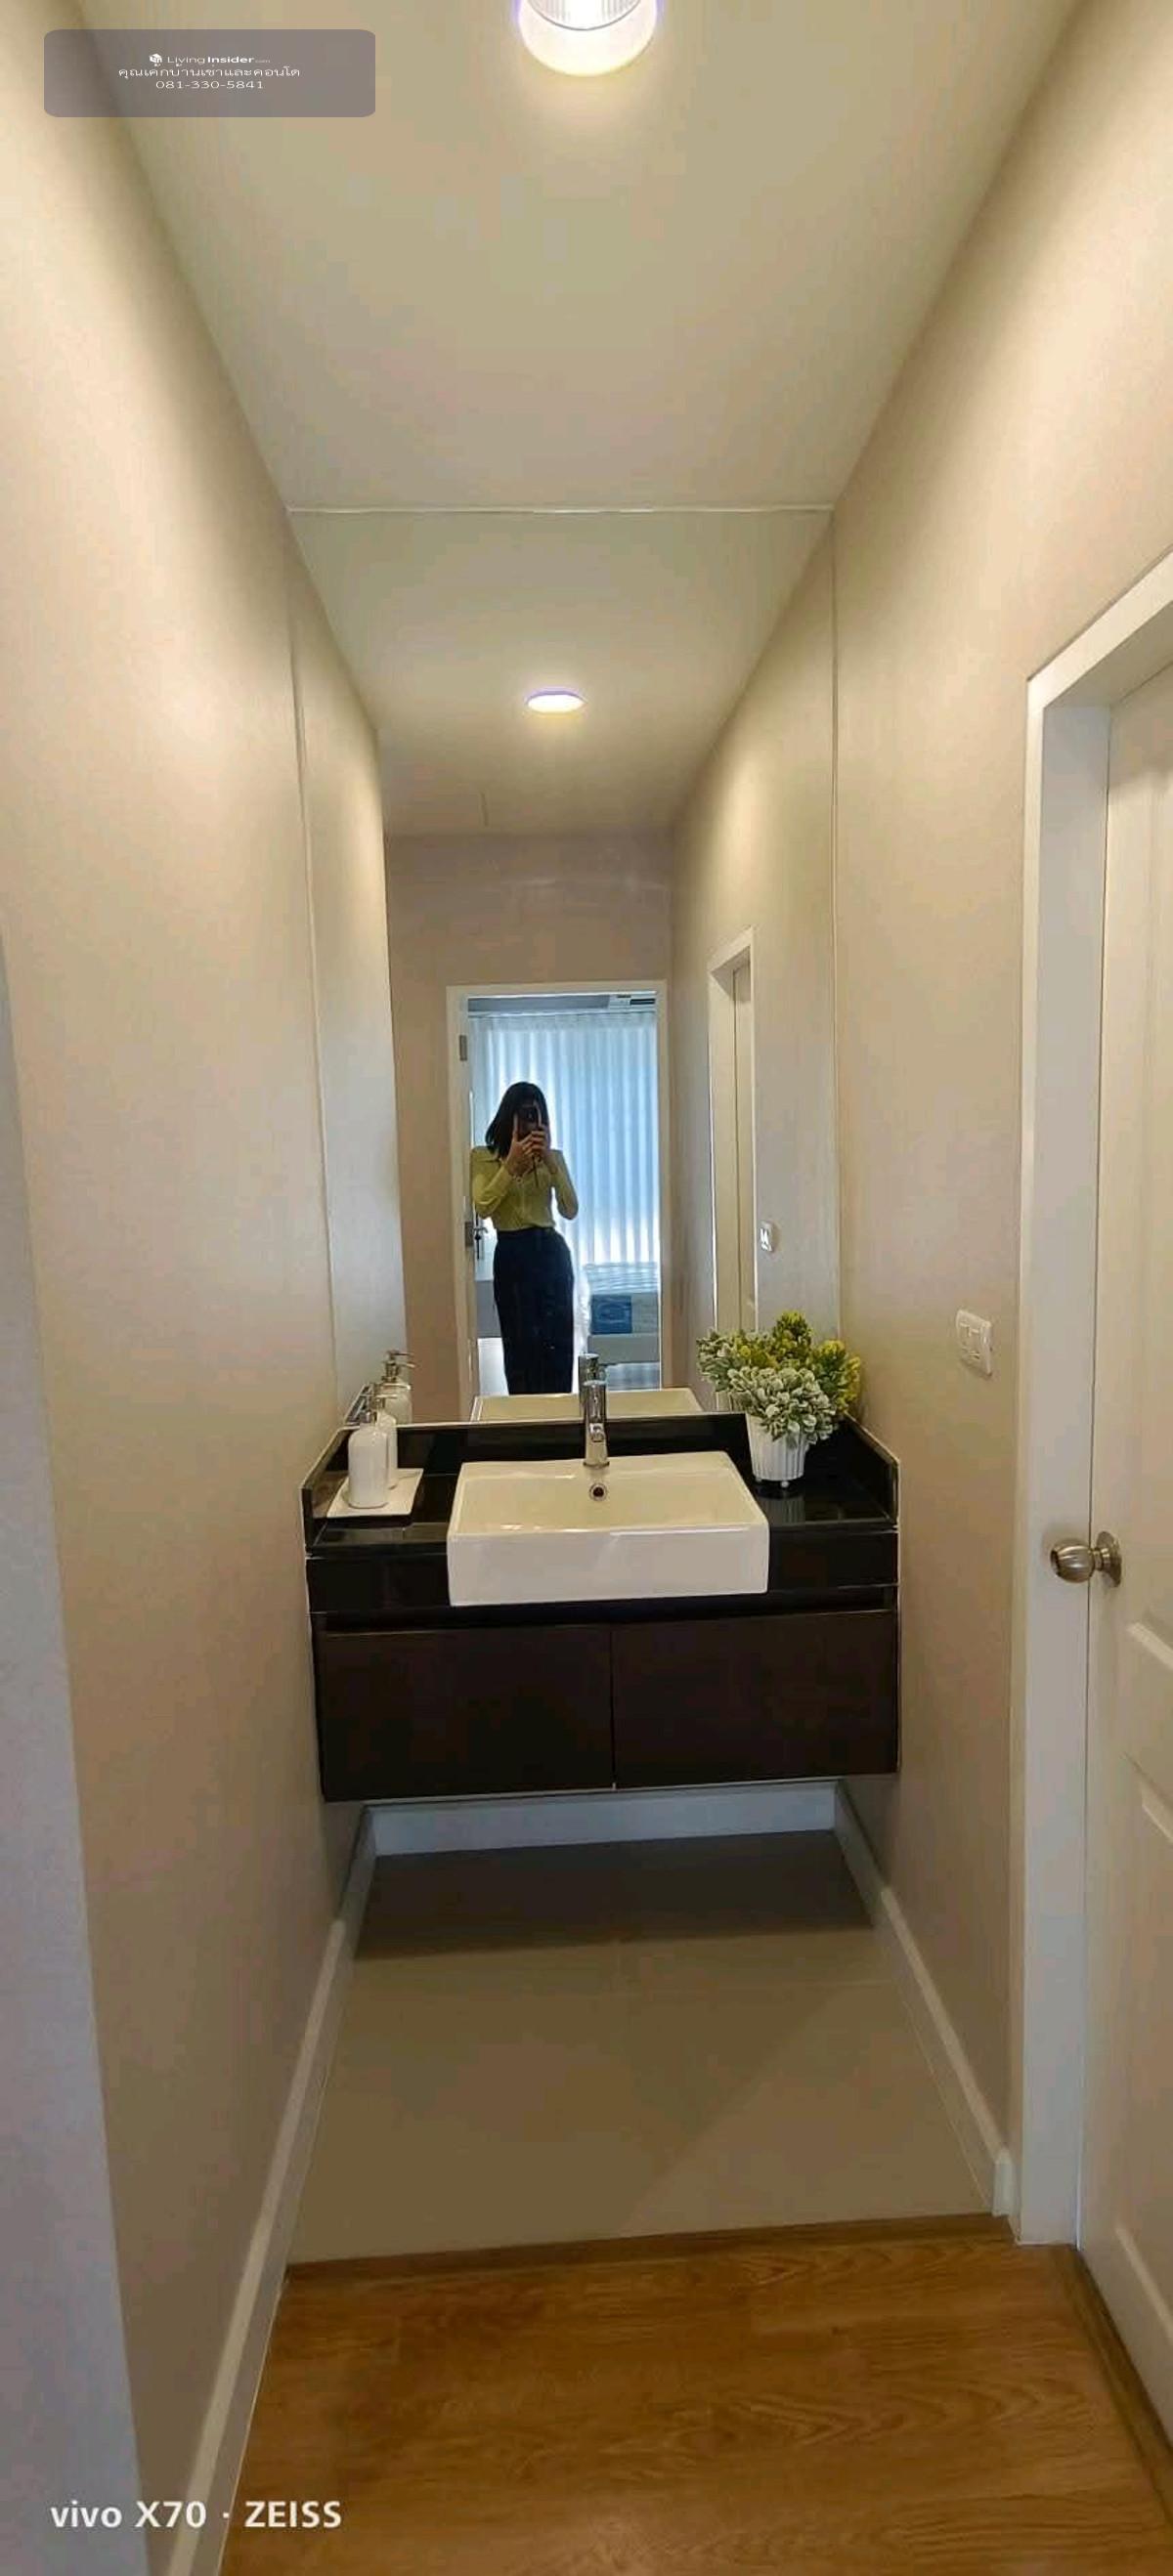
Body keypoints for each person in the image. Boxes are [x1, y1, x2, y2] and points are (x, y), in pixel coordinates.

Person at [470, 1082, 579, 1395]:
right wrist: (510, 1165)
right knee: (519, 1343)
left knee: (557, 1342)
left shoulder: (552, 1158)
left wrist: (550, 1162)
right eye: (525, 1115)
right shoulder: (482, 1157)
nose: (532, 1122)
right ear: (509, 1116)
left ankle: (561, 1411)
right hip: (512, 1254)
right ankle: (525, 1414)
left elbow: (570, 1209)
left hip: (551, 1252)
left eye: (537, 1115)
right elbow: (483, 1206)